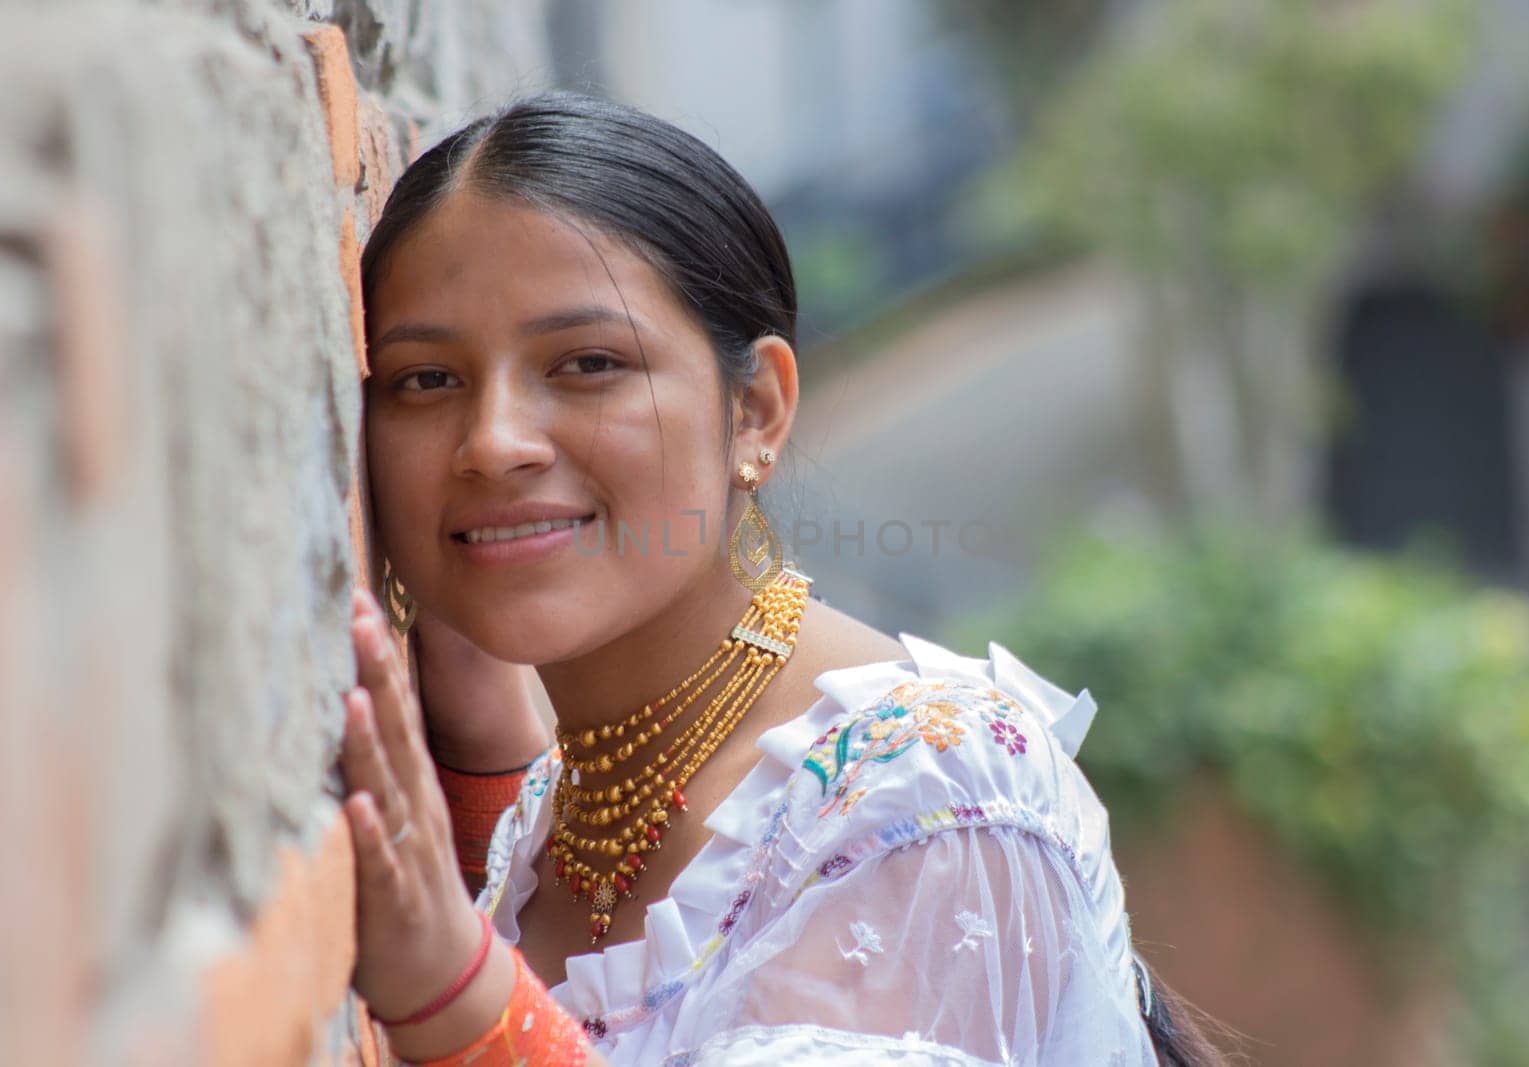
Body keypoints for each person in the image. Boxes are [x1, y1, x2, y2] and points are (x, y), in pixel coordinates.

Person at [339, 91, 1222, 1066]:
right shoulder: (553, 817)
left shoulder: (918, 796)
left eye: (587, 362)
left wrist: (461, 1003)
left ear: (754, 408)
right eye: (425, 379)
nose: (494, 441)